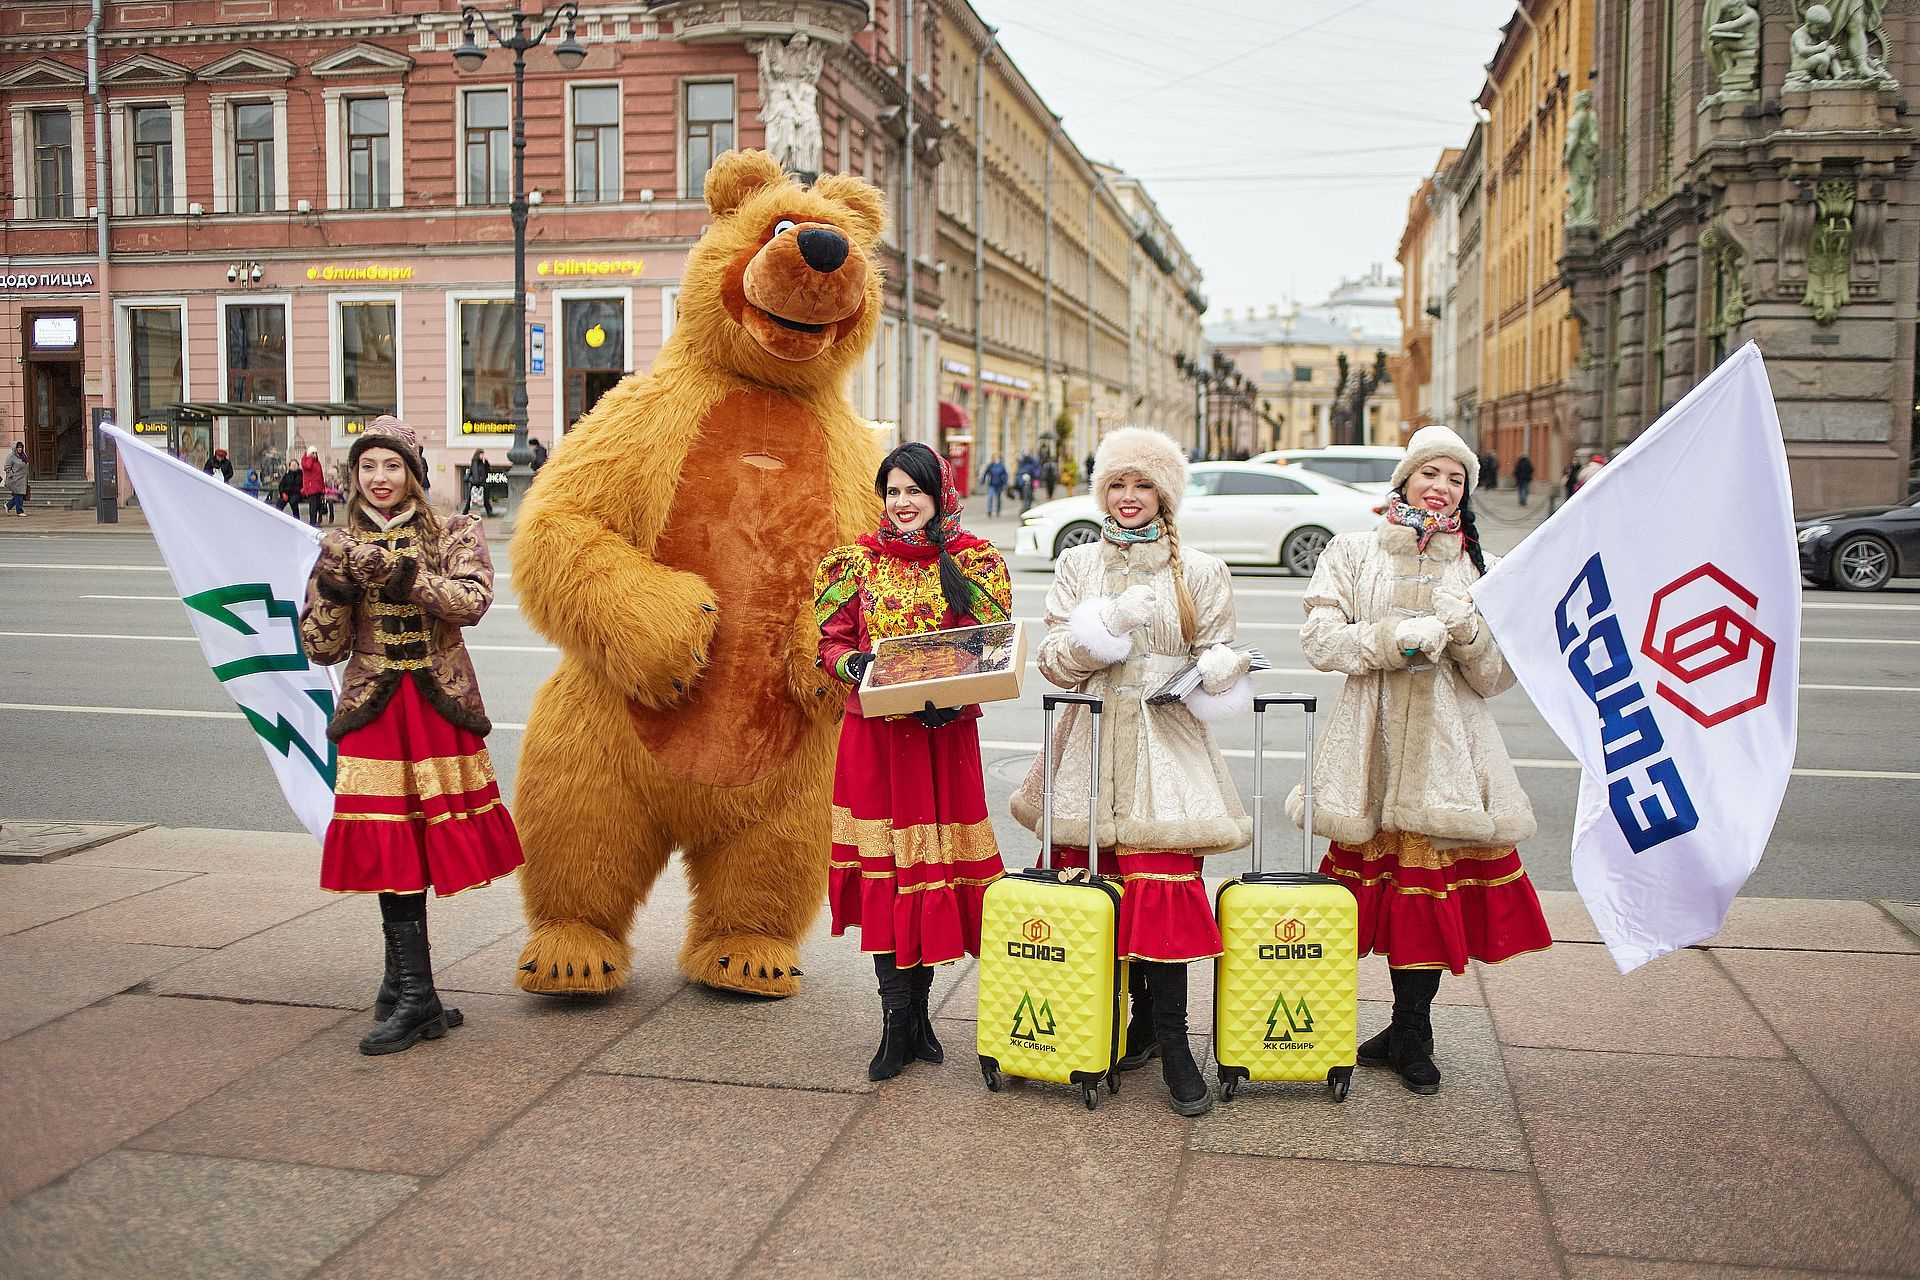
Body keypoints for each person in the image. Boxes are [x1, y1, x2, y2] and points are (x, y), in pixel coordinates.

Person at [1290, 423, 1550, 1095]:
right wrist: (1392, 639)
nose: (1441, 488)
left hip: (1445, 751)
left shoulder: (1476, 567)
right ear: (1404, 480)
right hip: (1369, 743)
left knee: (1424, 896)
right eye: (1430, 473)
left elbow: (1494, 678)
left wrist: (1463, 630)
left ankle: (1412, 1031)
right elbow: (1319, 641)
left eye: (1456, 479)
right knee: (1354, 898)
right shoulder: (1352, 552)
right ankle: (1309, 1027)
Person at [1010, 426, 1254, 1117]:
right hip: (1086, 749)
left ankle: (1170, 1040)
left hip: (1165, 751)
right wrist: (1106, 624)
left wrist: (1221, 667)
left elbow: (1218, 656)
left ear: (1164, 494)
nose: (1127, 497)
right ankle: (1114, 1027)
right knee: (1093, 894)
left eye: (1142, 484)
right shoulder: (1078, 565)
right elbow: (1054, 661)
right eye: (1116, 484)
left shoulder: (1201, 570)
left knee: (1163, 895)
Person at [298, 415, 524, 1056]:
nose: (379, 478)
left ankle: (410, 988)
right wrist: (339, 587)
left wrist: (402, 576)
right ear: (354, 476)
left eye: (391, 466)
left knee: (422, 845)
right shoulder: (338, 545)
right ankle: (410, 987)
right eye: (367, 467)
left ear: (414, 475)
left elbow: (472, 602)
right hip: (373, 709)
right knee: (387, 846)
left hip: (435, 706)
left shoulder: (457, 532)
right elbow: (319, 647)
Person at [815, 442, 1012, 1082]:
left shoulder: (975, 561)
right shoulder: (854, 563)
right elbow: (832, 643)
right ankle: (896, 1024)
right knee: (890, 876)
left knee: (932, 875)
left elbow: (989, 646)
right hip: (874, 740)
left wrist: (949, 699)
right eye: (892, 491)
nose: (902, 504)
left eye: (914, 491)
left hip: (941, 739)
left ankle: (921, 1017)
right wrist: (857, 666)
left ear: (939, 494)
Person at [300, 446, 327, 526]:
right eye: (313, 453)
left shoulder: (317, 463)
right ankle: (312, 522)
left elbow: (320, 476)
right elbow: (308, 466)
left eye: (315, 453)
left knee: (318, 505)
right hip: (311, 487)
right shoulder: (306, 460)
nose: (315, 454)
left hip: (318, 487)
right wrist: (309, 458)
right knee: (313, 506)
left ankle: (316, 520)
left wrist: (323, 488)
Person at [463, 450, 493, 517]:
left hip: (481, 483)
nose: (482, 456)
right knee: (471, 499)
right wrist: (477, 483)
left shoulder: (481, 463)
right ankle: (465, 512)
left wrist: (486, 464)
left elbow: (487, 472)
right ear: (478, 454)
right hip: (476, 484)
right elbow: (475, 473)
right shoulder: (475, 462)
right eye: (481, 454)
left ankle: (489, 511)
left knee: (485, 498)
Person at [5, 442, 28, 515]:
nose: (20, 449)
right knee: (19, 495)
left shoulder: (23, 456)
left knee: (18, 495)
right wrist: (12, 475)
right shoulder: (10, 456)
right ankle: (19, 511)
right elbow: (7, 467)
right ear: (15, 448)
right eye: (18, 447)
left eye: (21, 447)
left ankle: (8, 506)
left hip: (22, 479)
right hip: (15, 479)